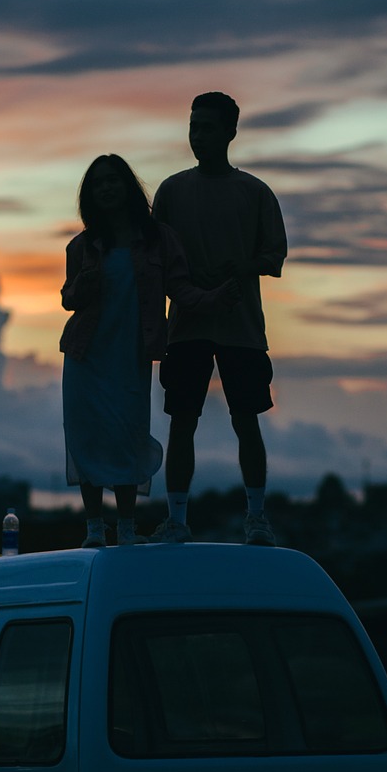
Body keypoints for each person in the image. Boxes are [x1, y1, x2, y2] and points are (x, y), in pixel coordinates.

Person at [60, 153, 239, 547]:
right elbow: (68, 299)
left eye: (113, 180)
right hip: (85, 355)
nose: (107, 188)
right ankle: (94, 529)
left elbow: (181, 288)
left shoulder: (159, 240)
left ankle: (125, 527)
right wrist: (85, 282)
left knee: (128, 435)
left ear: (128, 186)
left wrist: (215, 299)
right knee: (86, 436)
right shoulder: (83, 245)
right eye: (98, 183)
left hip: (130, 354)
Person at [150, 91, 288, 545]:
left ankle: (256, 517)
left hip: (240, 325)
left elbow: (274, 254)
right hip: (187, 324)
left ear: (230, 132)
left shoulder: (254, 192)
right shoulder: (171, 191)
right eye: (193, 127)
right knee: (181, 420)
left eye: (208, 127)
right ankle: (176, 520)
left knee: (245, 418)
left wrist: (240, 269)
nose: (198, 136)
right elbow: (156, 258)